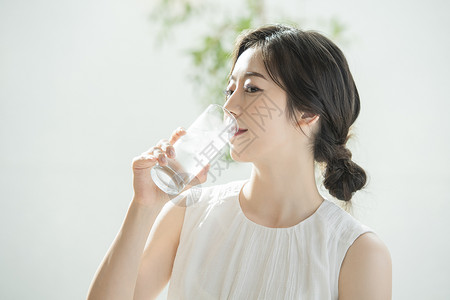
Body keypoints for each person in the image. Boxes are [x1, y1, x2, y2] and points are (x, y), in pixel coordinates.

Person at [87, 24, 392, 300]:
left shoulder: (356, 252)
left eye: (252, 89)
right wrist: (145, 205)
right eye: (230, 89)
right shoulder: (188, 214)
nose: (230, 105)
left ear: (308, 112)